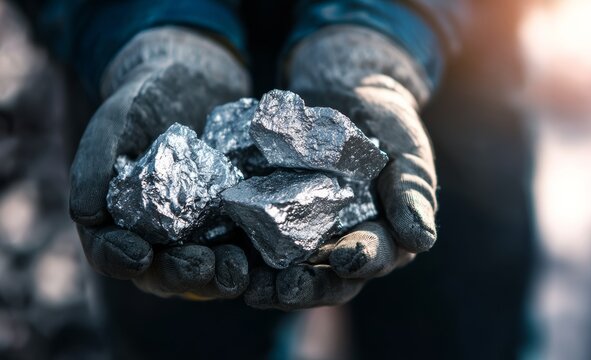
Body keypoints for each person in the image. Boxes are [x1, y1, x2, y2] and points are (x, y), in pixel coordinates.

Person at [20, 0, 534, 358]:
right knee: (187, 336)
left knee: (453, 326)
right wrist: (138, 19)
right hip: (148, 35)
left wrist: (384, 21)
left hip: (445, 55)